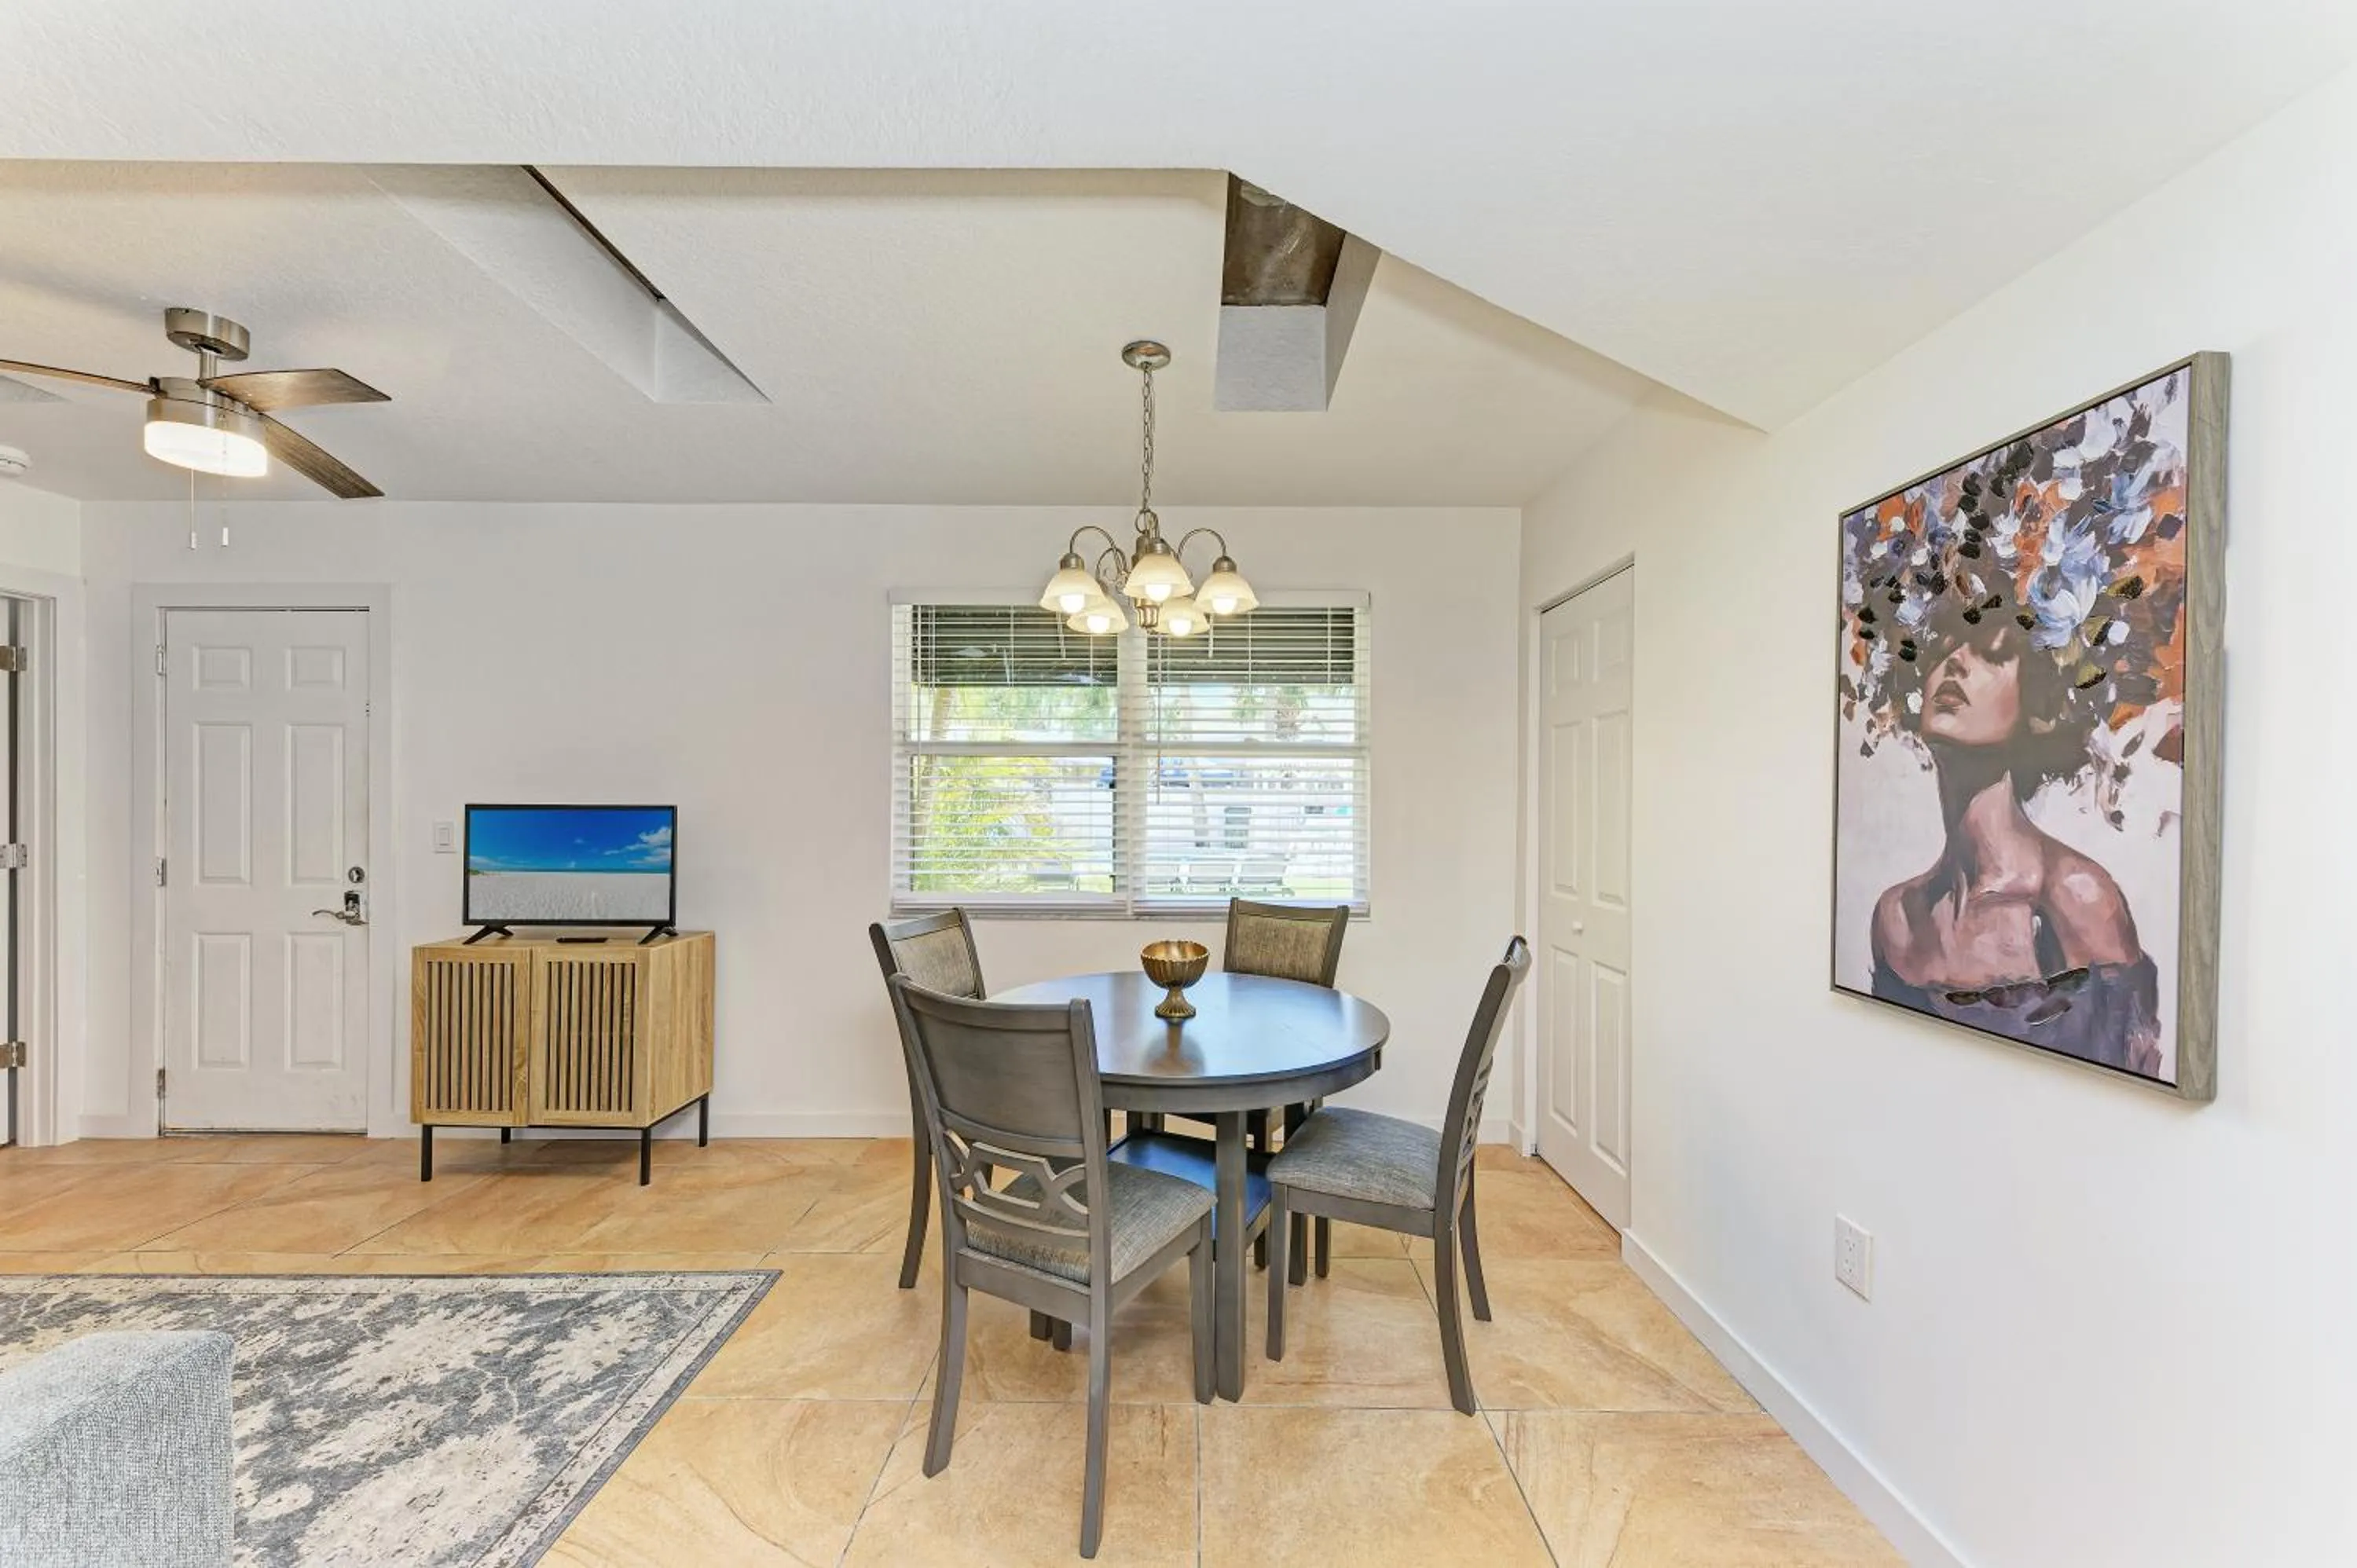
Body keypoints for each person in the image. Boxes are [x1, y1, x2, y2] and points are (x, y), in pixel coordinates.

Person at [1867, 602, 2161, 1075]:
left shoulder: (2072, 898)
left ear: (2038, 701)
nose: (1956, 662)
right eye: (1942, 647)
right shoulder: (1897, 916)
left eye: (1990, 653)